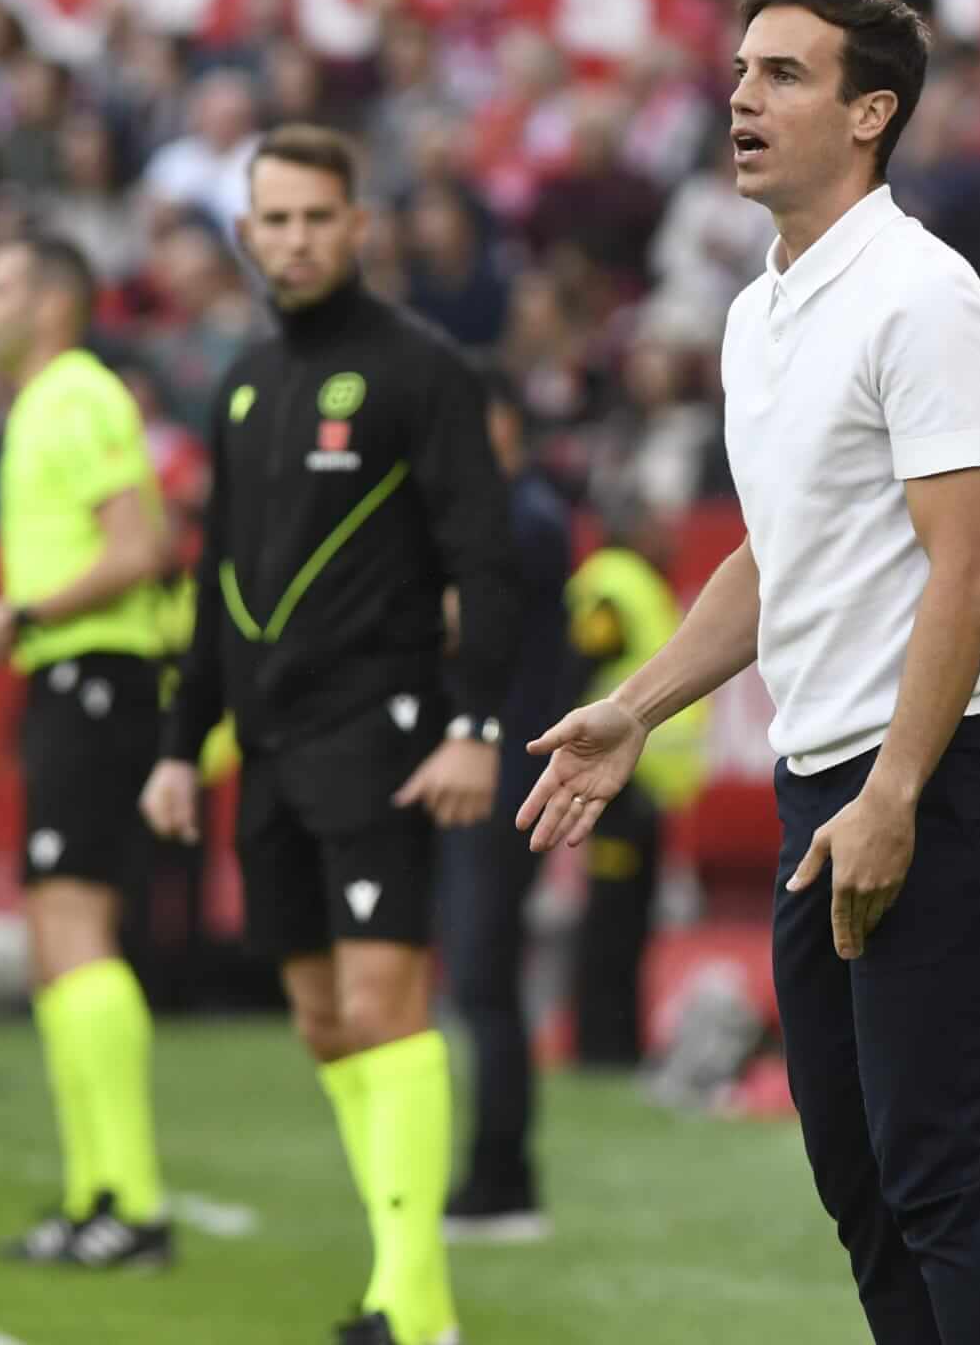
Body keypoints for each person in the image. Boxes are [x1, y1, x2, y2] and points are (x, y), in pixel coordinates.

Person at [519, 0, 980, 1343]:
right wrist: (637, 707)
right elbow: (778, 557)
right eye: (742, 70)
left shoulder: (923, 299)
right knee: (863, 1180)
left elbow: (970, 564)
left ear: (872, 112)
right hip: (827, 780)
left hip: (941, 776)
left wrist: (892, 792)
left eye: (784, 74)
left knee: (942, 1170)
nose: (742, 98)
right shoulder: (757, 312)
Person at [139, 124, 516, 1345]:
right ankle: (394, 1287)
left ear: (360, 228)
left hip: (385, 732)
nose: (295, 240)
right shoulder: (242, 380)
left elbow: (484, 559)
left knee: (383, 997)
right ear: (244, 236)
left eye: (317, 217)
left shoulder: (422, 372)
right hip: (268, 749)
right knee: (321, 1019)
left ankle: (416, 1307)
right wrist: (174, 744)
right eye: (275, 220)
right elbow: (216, 584)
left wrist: (475, 726)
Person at [0, 234, 175, 1267]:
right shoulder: (49, 401)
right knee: (56, 937)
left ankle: (132, 1206)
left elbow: (138, 550)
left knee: (75, 925)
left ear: (56, 302)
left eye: (2, 285)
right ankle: (94, 1194)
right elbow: (73, 571)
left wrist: (14, 615)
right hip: (71, 675)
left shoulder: (77, 395)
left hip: (99, 679)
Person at [438, 369, 573, 1242]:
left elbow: (454, 620)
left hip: (505, 776)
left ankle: (501, 1178)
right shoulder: (517, 516)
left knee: (485, 981)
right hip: (487, 772)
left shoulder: (521, 520)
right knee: (474, 982)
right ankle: (490, 1172)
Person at [562, 508, 710, 1069]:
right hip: (614, 790)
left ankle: (619, 1042)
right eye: (655, 526)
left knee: (630, 919)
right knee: (611, 918)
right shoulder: (613, 589)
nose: (668, 536)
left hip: (637, 788)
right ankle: (601, 1045)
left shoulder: (637, 587)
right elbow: (578, 668)